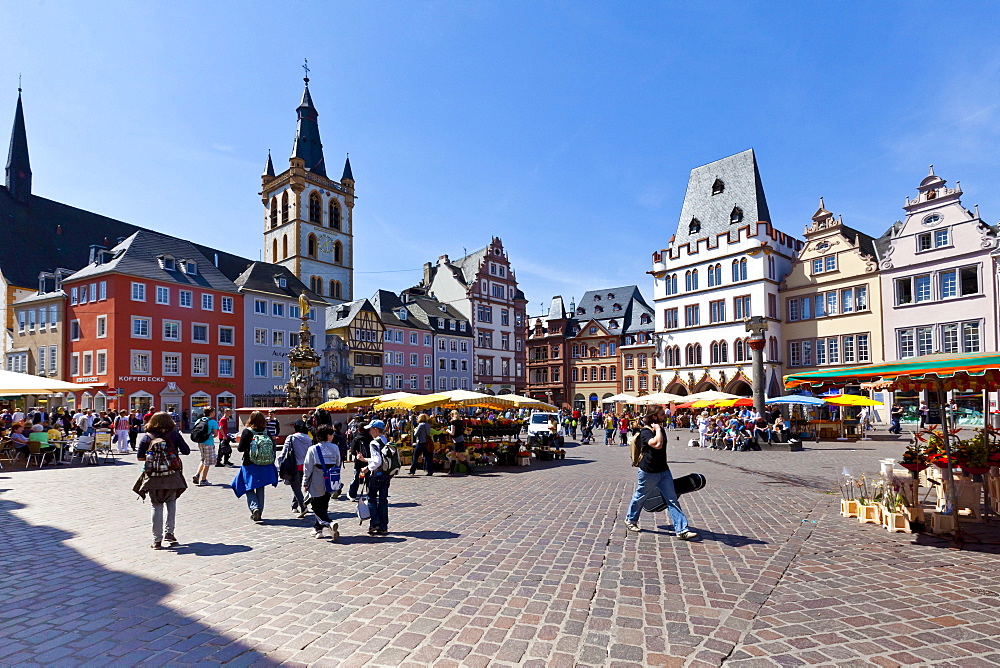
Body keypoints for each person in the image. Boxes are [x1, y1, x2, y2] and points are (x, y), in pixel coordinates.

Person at [624, 405, 696, 540]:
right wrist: (657, 430)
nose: (665, 415)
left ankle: (682, 530)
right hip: (649, 472)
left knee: (672, 499)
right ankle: (630, 520)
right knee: (640, 496)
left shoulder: (660, 429)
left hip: (663, 470)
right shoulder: (646, 431)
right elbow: (657, 445)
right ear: (655, 416)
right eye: (662, 414)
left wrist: (659, 430)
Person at [133, 412, 190, 549]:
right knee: (171, 502)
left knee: (156, 505)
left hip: (153, 477)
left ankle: (156, 540)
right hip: (172, 475)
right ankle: (169, 532)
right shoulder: (174, 434)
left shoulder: (147, 437)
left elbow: (140, 457)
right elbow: (186, 451)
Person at [231, 410, 279, 522]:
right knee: (260, 487)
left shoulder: (248, 432)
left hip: (250, 463)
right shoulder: (266, 431)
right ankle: (259, 512)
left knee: (249, 486)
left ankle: (254, 507)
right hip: (265, 463)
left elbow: (240, 448)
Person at [302, 426, 341, 540]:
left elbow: (307, 467)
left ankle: (328, 523)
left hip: (317, 480)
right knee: (324, 503)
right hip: (331, 480)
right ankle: (318, 529)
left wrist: (305, 481)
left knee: (315, 505)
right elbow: (338, 463)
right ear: (328, 435)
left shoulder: (313, 449)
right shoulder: (335, 447)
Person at [356, 419, 390, 535]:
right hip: (386, 474)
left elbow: (377, 461)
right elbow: (381, 459)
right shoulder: (386, 440)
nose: (369, 431)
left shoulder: (374, 443)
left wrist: (367, 468)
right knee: (383, 500)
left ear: (375, 430)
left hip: (376, 475)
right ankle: (384, 526)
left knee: (371, 497)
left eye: (370, 429)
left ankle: (375, 522)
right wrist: (365, 460)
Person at [285, 421, 313, 518]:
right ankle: (294, 505)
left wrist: (279, 464)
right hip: (306, 466)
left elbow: (284, 452)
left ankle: (302, 505)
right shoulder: (309, 439)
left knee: (295, 487)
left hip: (294, 466)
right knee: (297, 486)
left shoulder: (291, 437)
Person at [191, 407, 218, 486]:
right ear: (211, 413)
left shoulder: (199, 420)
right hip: (209, 443)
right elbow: (216, 434)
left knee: (203, 459)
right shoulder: (213, 422)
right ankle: (203, 479)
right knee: (208, 462)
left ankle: (197, 474)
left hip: (200, 442)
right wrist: (210, 437)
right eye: (213, 411)